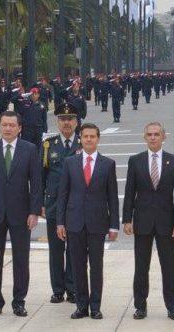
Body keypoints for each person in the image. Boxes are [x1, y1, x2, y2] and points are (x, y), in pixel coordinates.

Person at [0, 111, 42, 316]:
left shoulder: (30, 149)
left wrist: (34, 211)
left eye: (12, 125)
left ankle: (19, 300)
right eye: (4, 125)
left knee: (21, 259)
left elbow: (37, 183)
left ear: (19, 128)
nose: (7, 128)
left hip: (21, 214)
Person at [122, 121, 174, 321]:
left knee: (169, 267)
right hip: (142, 222)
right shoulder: (136, 161)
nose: (153, 137)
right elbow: (130, 191)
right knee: (141, 267)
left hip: (167, 223)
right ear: (144, 137)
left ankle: (172, 307)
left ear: (163, 136)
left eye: (156, 134)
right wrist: (127, 219)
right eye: (149, 134)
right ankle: (140, 306)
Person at [56, 122, 120, 320]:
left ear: (98, 139)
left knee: (96, 266)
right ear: (80, 139)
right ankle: (81, 306)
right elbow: (63, 195)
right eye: (85, 137)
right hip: (74, 223)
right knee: (77, 266)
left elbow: (112, 197)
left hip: (97, 223)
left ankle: (95, 306)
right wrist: (60, 222)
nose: (89, 140)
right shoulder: (70, 162)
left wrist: (114, 225)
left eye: (92, 137)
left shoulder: (107, 164)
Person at [42, 104, 81, 304]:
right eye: (62, 119)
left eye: (70, 118)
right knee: (56, 250)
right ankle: (57, 289)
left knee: (73, 249)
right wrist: (40, 203)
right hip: (54, 206)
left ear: (76, 121)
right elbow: (41, 177)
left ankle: (72, 288)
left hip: (76, 206)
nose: (66, 122)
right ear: (57, 122)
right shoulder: (49, 145)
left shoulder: (84, 145)